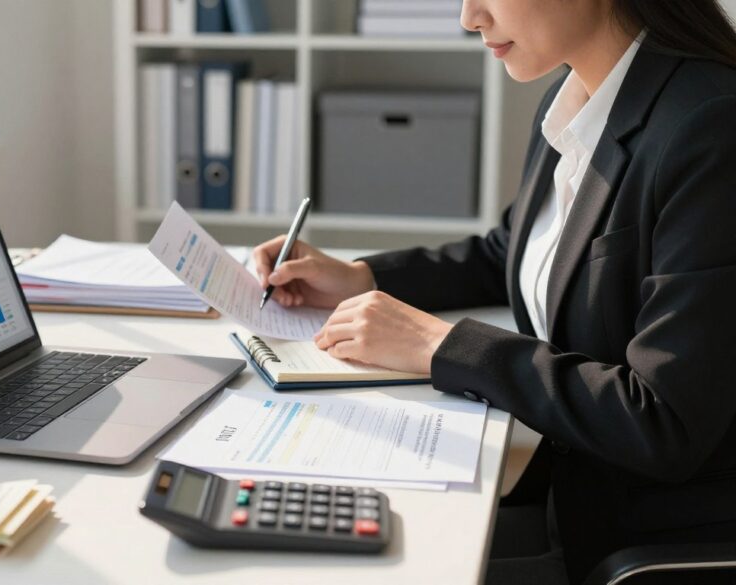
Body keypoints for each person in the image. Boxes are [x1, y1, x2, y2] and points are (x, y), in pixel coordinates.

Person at [252, 0, 736, 583]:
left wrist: (443, 346)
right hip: (566, 501)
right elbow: (513, 252)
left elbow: (664, 422)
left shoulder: (710, 127)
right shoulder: (574, 100)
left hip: (640, 548)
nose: (469, 17)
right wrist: (362, 277)